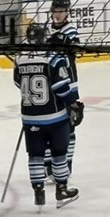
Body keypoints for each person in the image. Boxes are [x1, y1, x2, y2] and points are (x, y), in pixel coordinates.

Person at [14, 23, 81, 209]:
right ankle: (62, 189)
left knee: (35, 155)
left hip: (29, 117)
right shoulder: (53, 57)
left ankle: (38, 192)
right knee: (59, 153)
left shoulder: (19, 56)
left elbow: (17, 82)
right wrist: (73, 104)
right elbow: (60, 87)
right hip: (54, 116)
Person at [46, 0, 82, 178]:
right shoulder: (47, 29)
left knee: (69, 127)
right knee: (48, 127)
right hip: (49, 86)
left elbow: (74, 50)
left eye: (62, 10)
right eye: (56, 10)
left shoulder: (71, 31)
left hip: (69, 84)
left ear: (68, 12)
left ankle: (67, 165)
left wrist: (61, 41)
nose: (58, 13)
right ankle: (49, 167)